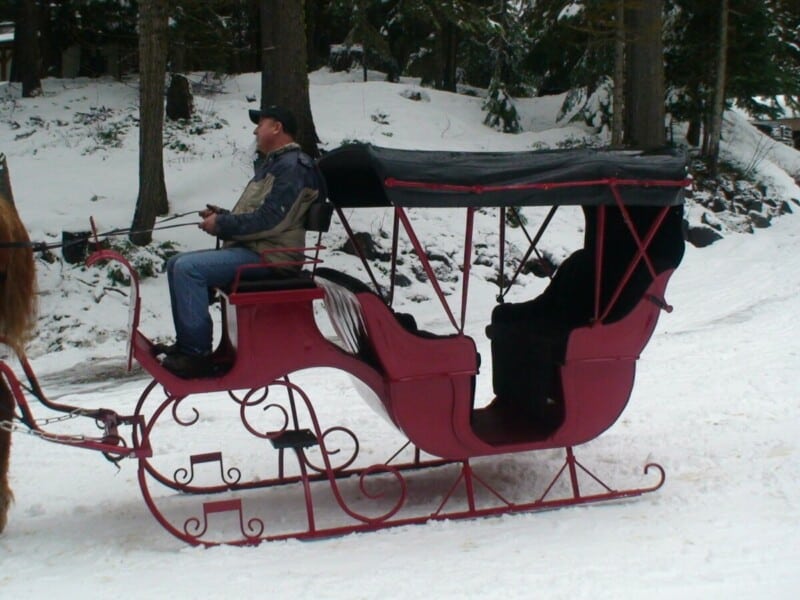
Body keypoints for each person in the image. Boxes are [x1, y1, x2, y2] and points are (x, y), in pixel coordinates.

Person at [160, 105, 323, 378]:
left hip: (272, 257)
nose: (255, 130)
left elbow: (272, 220)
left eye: (261, 123)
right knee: (177, 263)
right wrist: (221, 216)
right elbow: (259, 216)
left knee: (188, 268)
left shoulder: (293, 167)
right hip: (257, 250)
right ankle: (188, 347)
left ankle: (196, 354)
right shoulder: (276, 164)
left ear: (277, 127)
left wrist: (222, 225)